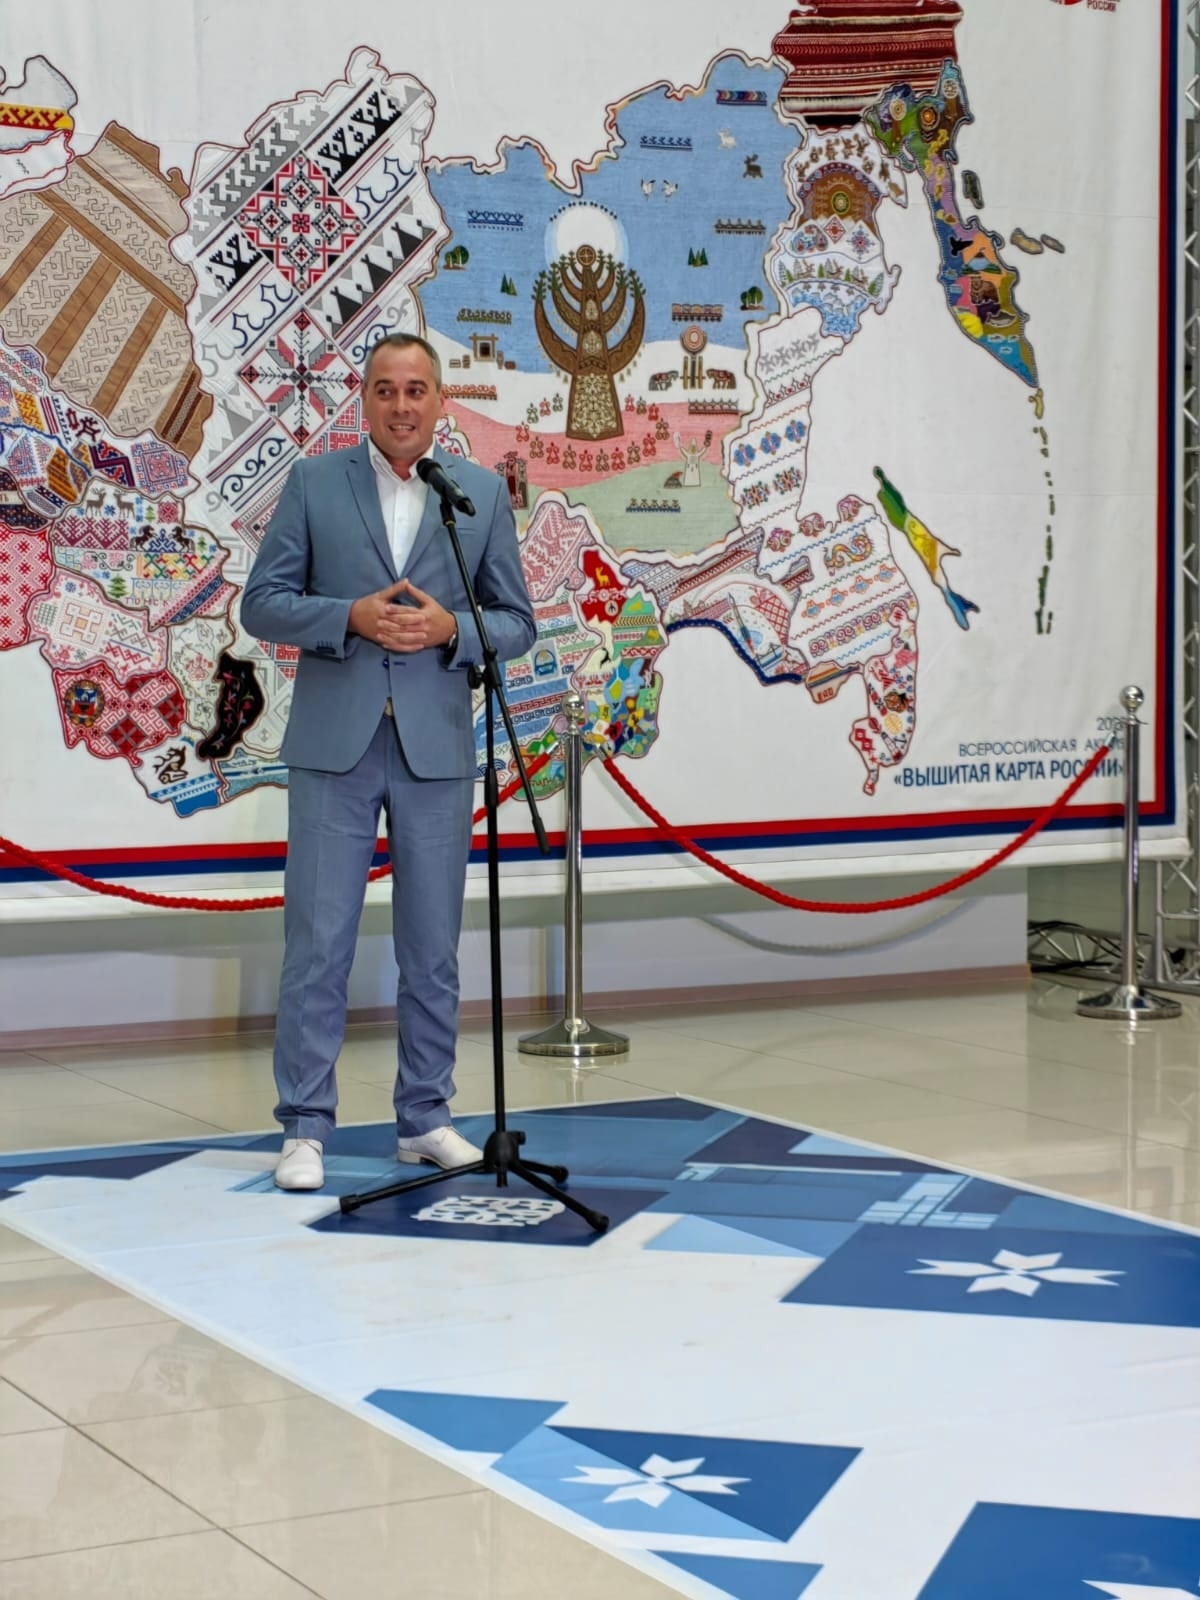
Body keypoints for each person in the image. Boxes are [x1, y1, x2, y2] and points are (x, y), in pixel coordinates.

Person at [240, 332, 536, 1190]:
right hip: (335, 746)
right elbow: (264, 604)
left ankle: (426, 1119)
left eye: (416, 390)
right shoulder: (313, 483)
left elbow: (515, 621)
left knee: (432, 947)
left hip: (436, 747)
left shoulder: (477, 492)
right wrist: (348, 617)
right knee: (318, 941)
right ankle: (304, 1128)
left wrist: (453, 629)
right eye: (384, 389)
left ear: (440, 401)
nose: (401, 405)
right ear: (362, 399)